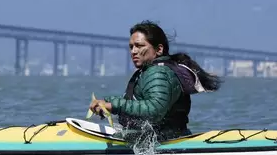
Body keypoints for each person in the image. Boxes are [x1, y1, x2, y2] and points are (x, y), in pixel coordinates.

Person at [88, 20, 223, 141]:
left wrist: (114, 106)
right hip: (159, 140)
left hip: (165, 144)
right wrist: (107, 102)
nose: (133, 51)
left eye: (139, 45)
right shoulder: (149, 71)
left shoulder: (159, 73)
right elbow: (137, 101)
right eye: (131, 47)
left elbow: (154, 110)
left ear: (158, 49)